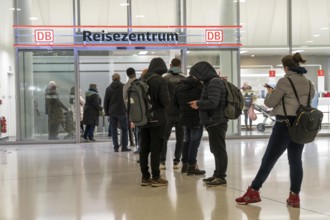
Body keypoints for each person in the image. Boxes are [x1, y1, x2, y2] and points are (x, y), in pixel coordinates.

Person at [235, 52, 315, 208]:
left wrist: (272, 93)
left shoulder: (284, 81)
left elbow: (270, 103)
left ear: (285, 67)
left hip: (283, 125)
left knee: (268, 160)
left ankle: (254, 191)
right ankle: (294, 196)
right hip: (300, 125)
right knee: (295, 161)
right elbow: (306, 101)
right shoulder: (309, 83)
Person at [189, 61, 229, 186]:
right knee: (215, 149)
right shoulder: (210, 82)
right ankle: (217, 174)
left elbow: (213, 102)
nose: (196, 78)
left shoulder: (214, 82)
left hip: (217, 120)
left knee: (219, 149)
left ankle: (221, 176)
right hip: (213, 121)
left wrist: (198, 104)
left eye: (196, 75)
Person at [139, 58, 170, 187]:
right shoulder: (159, 80)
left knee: (144, 148)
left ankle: (145, 176)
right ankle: (156, 177)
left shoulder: (142, 80)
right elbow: (165, 101)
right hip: (157, 119)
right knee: (156, 148)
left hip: (143, 119)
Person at [173, 75, 205, 175]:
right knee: (194, 142)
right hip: (197, 118)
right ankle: (192, 166)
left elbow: (174, 103)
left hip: (184, 117)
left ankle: (185, 165)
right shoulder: (200, 87)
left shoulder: (179, 87)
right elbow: (204, 102)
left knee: (186, 141)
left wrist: (182, 110)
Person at [160, 58, 186, 169]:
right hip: (180, 113)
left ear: (170, 65)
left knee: (164, 137)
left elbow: (162, 96)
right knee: (180, 137)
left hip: (167, 112)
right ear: (180, 65)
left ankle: (162, 161)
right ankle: (176, 161)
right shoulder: (184, 79)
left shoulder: (164, 79)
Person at [104, 73, 131, 152]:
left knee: (113, 130)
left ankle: (115, 147)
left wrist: (106, 112)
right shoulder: (124, 87)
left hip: (112, 112)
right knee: (124, 129)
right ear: (119, 78)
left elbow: (106, 101)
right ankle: (124, 147)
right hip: (122, 111)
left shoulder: (108, 88)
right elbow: (127, 99)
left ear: (112, 79)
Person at [123, 67, 138, 151]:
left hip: (131, 110)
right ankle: (141, 146)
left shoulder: (126, 86)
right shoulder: (141, 83)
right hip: (142, 111)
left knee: (134, 128)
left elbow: (124, 99)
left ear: (127, 75)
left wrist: (129, 110)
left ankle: (136, 145)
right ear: (135, 73)